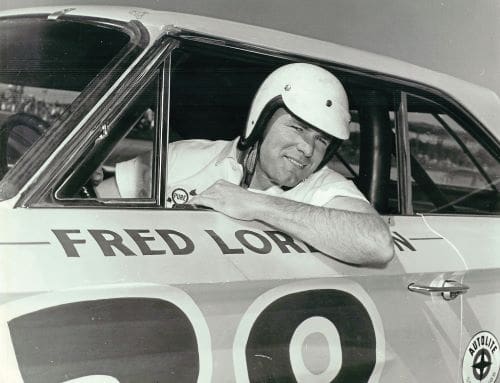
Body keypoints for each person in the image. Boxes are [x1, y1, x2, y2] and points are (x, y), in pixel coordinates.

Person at [97, 63, 394, 266]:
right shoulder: (182, 156)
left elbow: (377, 243)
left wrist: (256, 204)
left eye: (322, 140)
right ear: (261, 121)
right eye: (298, 128)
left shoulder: (324, 187)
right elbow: (97, 202)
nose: (307, 149)